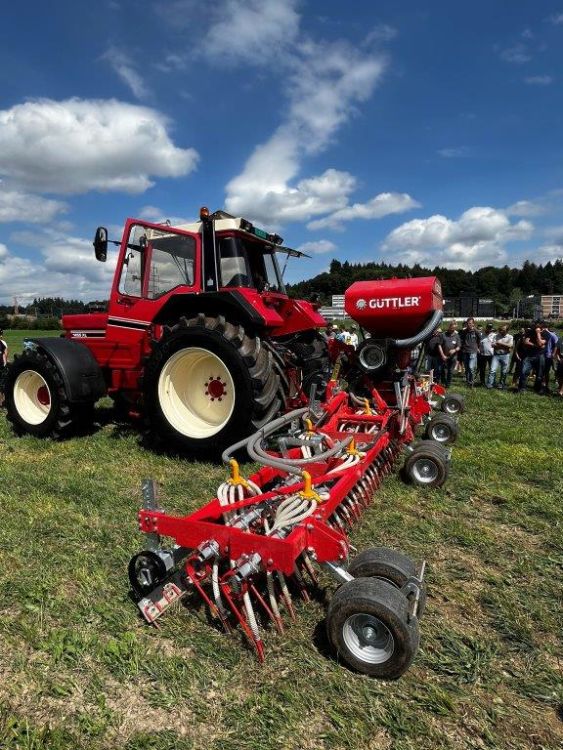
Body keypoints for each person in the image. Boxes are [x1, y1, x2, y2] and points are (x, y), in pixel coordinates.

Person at [518, 321, 545, 393]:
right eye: (536, 327)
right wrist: (535, 345)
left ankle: (537, 388)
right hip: (529, 355)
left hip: (540, 355)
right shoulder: (530, 332)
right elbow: (526, 342)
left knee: (539, 374)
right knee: (524, 372)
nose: (536, 328)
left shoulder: (546, 334)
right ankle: (522, 388)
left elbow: (541, 344)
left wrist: (538, 333)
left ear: (542, 328)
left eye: (538, 327)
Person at [487, 324, 513, 389]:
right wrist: (505, 346)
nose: (500, 331)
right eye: (500, 330)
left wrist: (500, 343)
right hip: (496, 355)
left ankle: (501, 384)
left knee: (504, 371)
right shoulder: (496, 336)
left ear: (507, 331)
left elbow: (510, 346)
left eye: (502, 330)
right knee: (492, 370)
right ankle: (490, 384)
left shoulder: (510, 337)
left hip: (505, 356)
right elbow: (492, 345)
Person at [459, 317, 481, 387]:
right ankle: (468, 381)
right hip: (465, 351)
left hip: (473, 351)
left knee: (471, 368)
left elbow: (479, 340)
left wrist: (477, 347)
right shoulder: (464, 331)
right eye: (468, 323)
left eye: (470, 323)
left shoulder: (476, 331)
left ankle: (472, 382)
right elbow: (461, 340)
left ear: (473, 324)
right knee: (466, 368)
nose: (469, 324)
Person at [440, 321, 461, 387]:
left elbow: (459, 346)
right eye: (451, 328)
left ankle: (448, 384)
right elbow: (439, 345)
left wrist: (454, 350)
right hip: (444, 356)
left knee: (450, 371)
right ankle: (443, 382)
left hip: (453, 357)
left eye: (454, 329)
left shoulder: (457, 336)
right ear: (449, 327)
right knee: (443, 370)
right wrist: (442, 355)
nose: (452, 330)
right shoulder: (443, 335)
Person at [540, 321, 558, 394]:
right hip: (541, 355)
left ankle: (545, 387)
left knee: (545, 372)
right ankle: (541, 386)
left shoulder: (552, 335)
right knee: (541, 371)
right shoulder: (541, 334)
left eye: (541, 328)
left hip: (548, 356)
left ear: (544, 328)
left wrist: (553, 354)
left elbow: (557, 345)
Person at [0, 328, 8, 408]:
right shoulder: (3, 343)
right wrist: (5, 363)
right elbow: (5, 354)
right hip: (2, 365)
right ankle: (2, 402)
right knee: (2, 384)